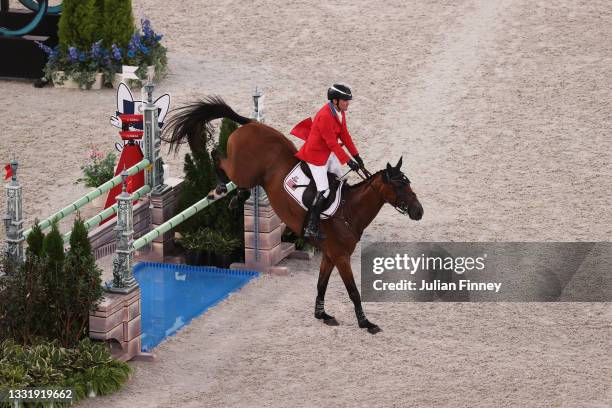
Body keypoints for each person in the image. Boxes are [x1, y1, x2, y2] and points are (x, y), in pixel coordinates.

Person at [295, 84, 365, 239]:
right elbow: (332, 143)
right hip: (316, 156)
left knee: (341, 179)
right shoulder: (325, 116)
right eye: (345, 100)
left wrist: (356, 155)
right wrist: (348, 161)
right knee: (324, 189)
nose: (348, 103)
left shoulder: (340, 112)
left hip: (327, 152)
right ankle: (311, 226)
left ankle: (339, 212)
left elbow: (345, 135)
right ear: (335, 101)